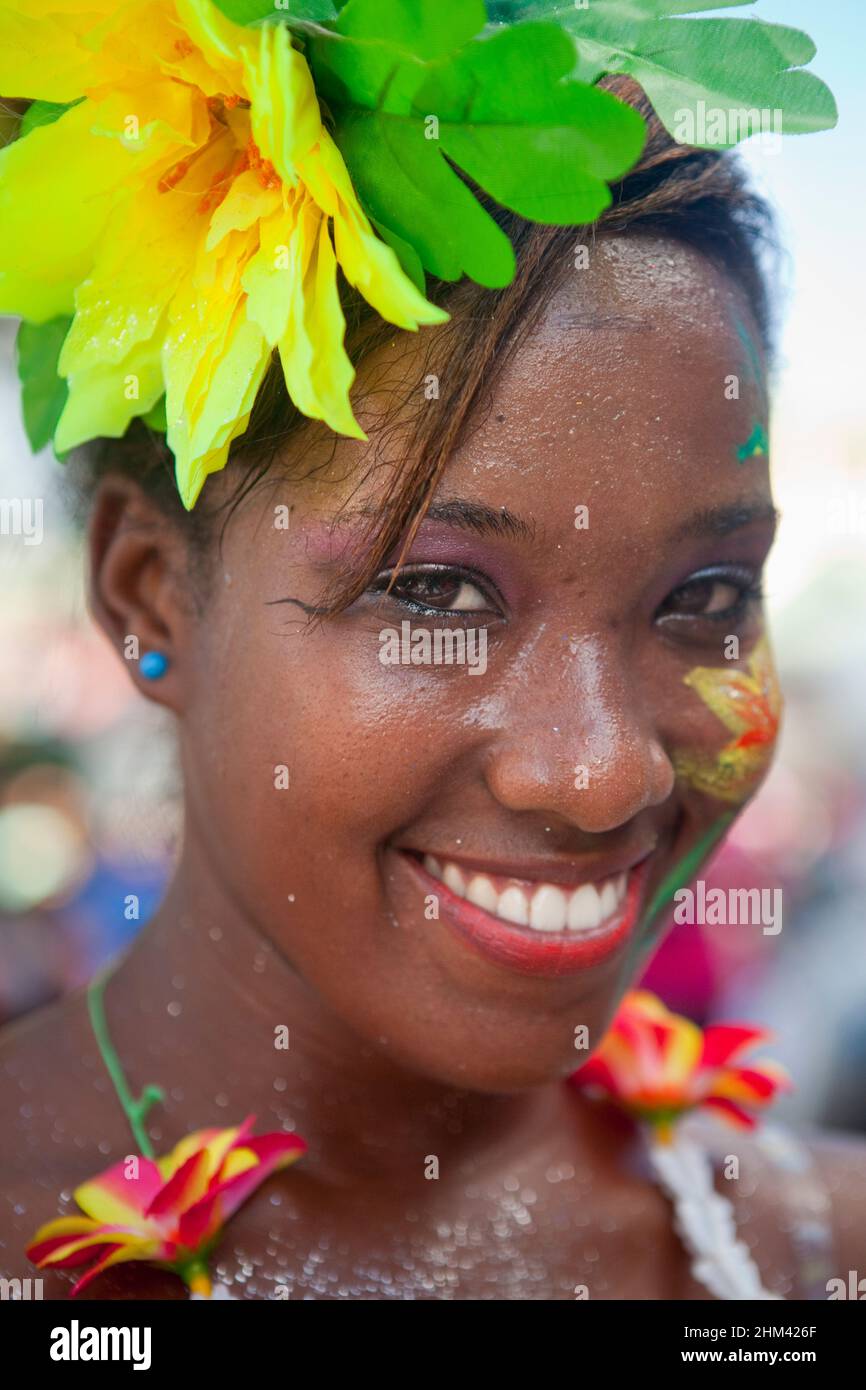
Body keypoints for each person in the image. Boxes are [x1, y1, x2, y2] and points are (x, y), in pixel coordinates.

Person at [1, 68, 863, 1300]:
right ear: (151, 596)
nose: (600, 772)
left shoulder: (819, 1255)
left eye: (706, 597)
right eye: (438, 596)